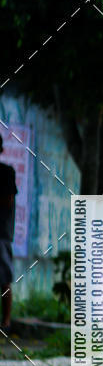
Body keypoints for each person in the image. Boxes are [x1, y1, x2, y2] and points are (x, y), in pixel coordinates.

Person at [0, 135, 17, 335]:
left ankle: (6, 322)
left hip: (1, 233)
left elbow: (8, 200)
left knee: (3, 279)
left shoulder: (6, 173)